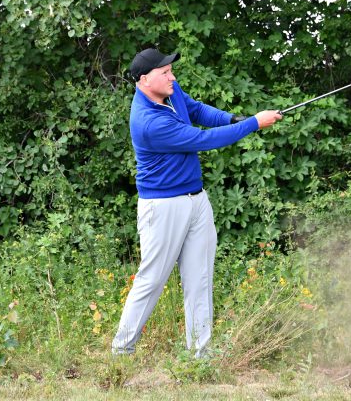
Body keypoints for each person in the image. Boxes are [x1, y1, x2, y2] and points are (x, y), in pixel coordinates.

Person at [111, 47, 282, 357]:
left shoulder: (170, 91)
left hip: (196, 200)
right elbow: (203, 140)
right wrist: (253, 124)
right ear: (144, 80)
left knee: (199, 277)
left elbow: (198, 110)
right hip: (163, 208)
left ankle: (199, 355)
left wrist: (233, 118)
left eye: (171, 70)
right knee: (151, 280)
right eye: (165, 73)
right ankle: (122, 350)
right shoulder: (148, 121)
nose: (172, 76)